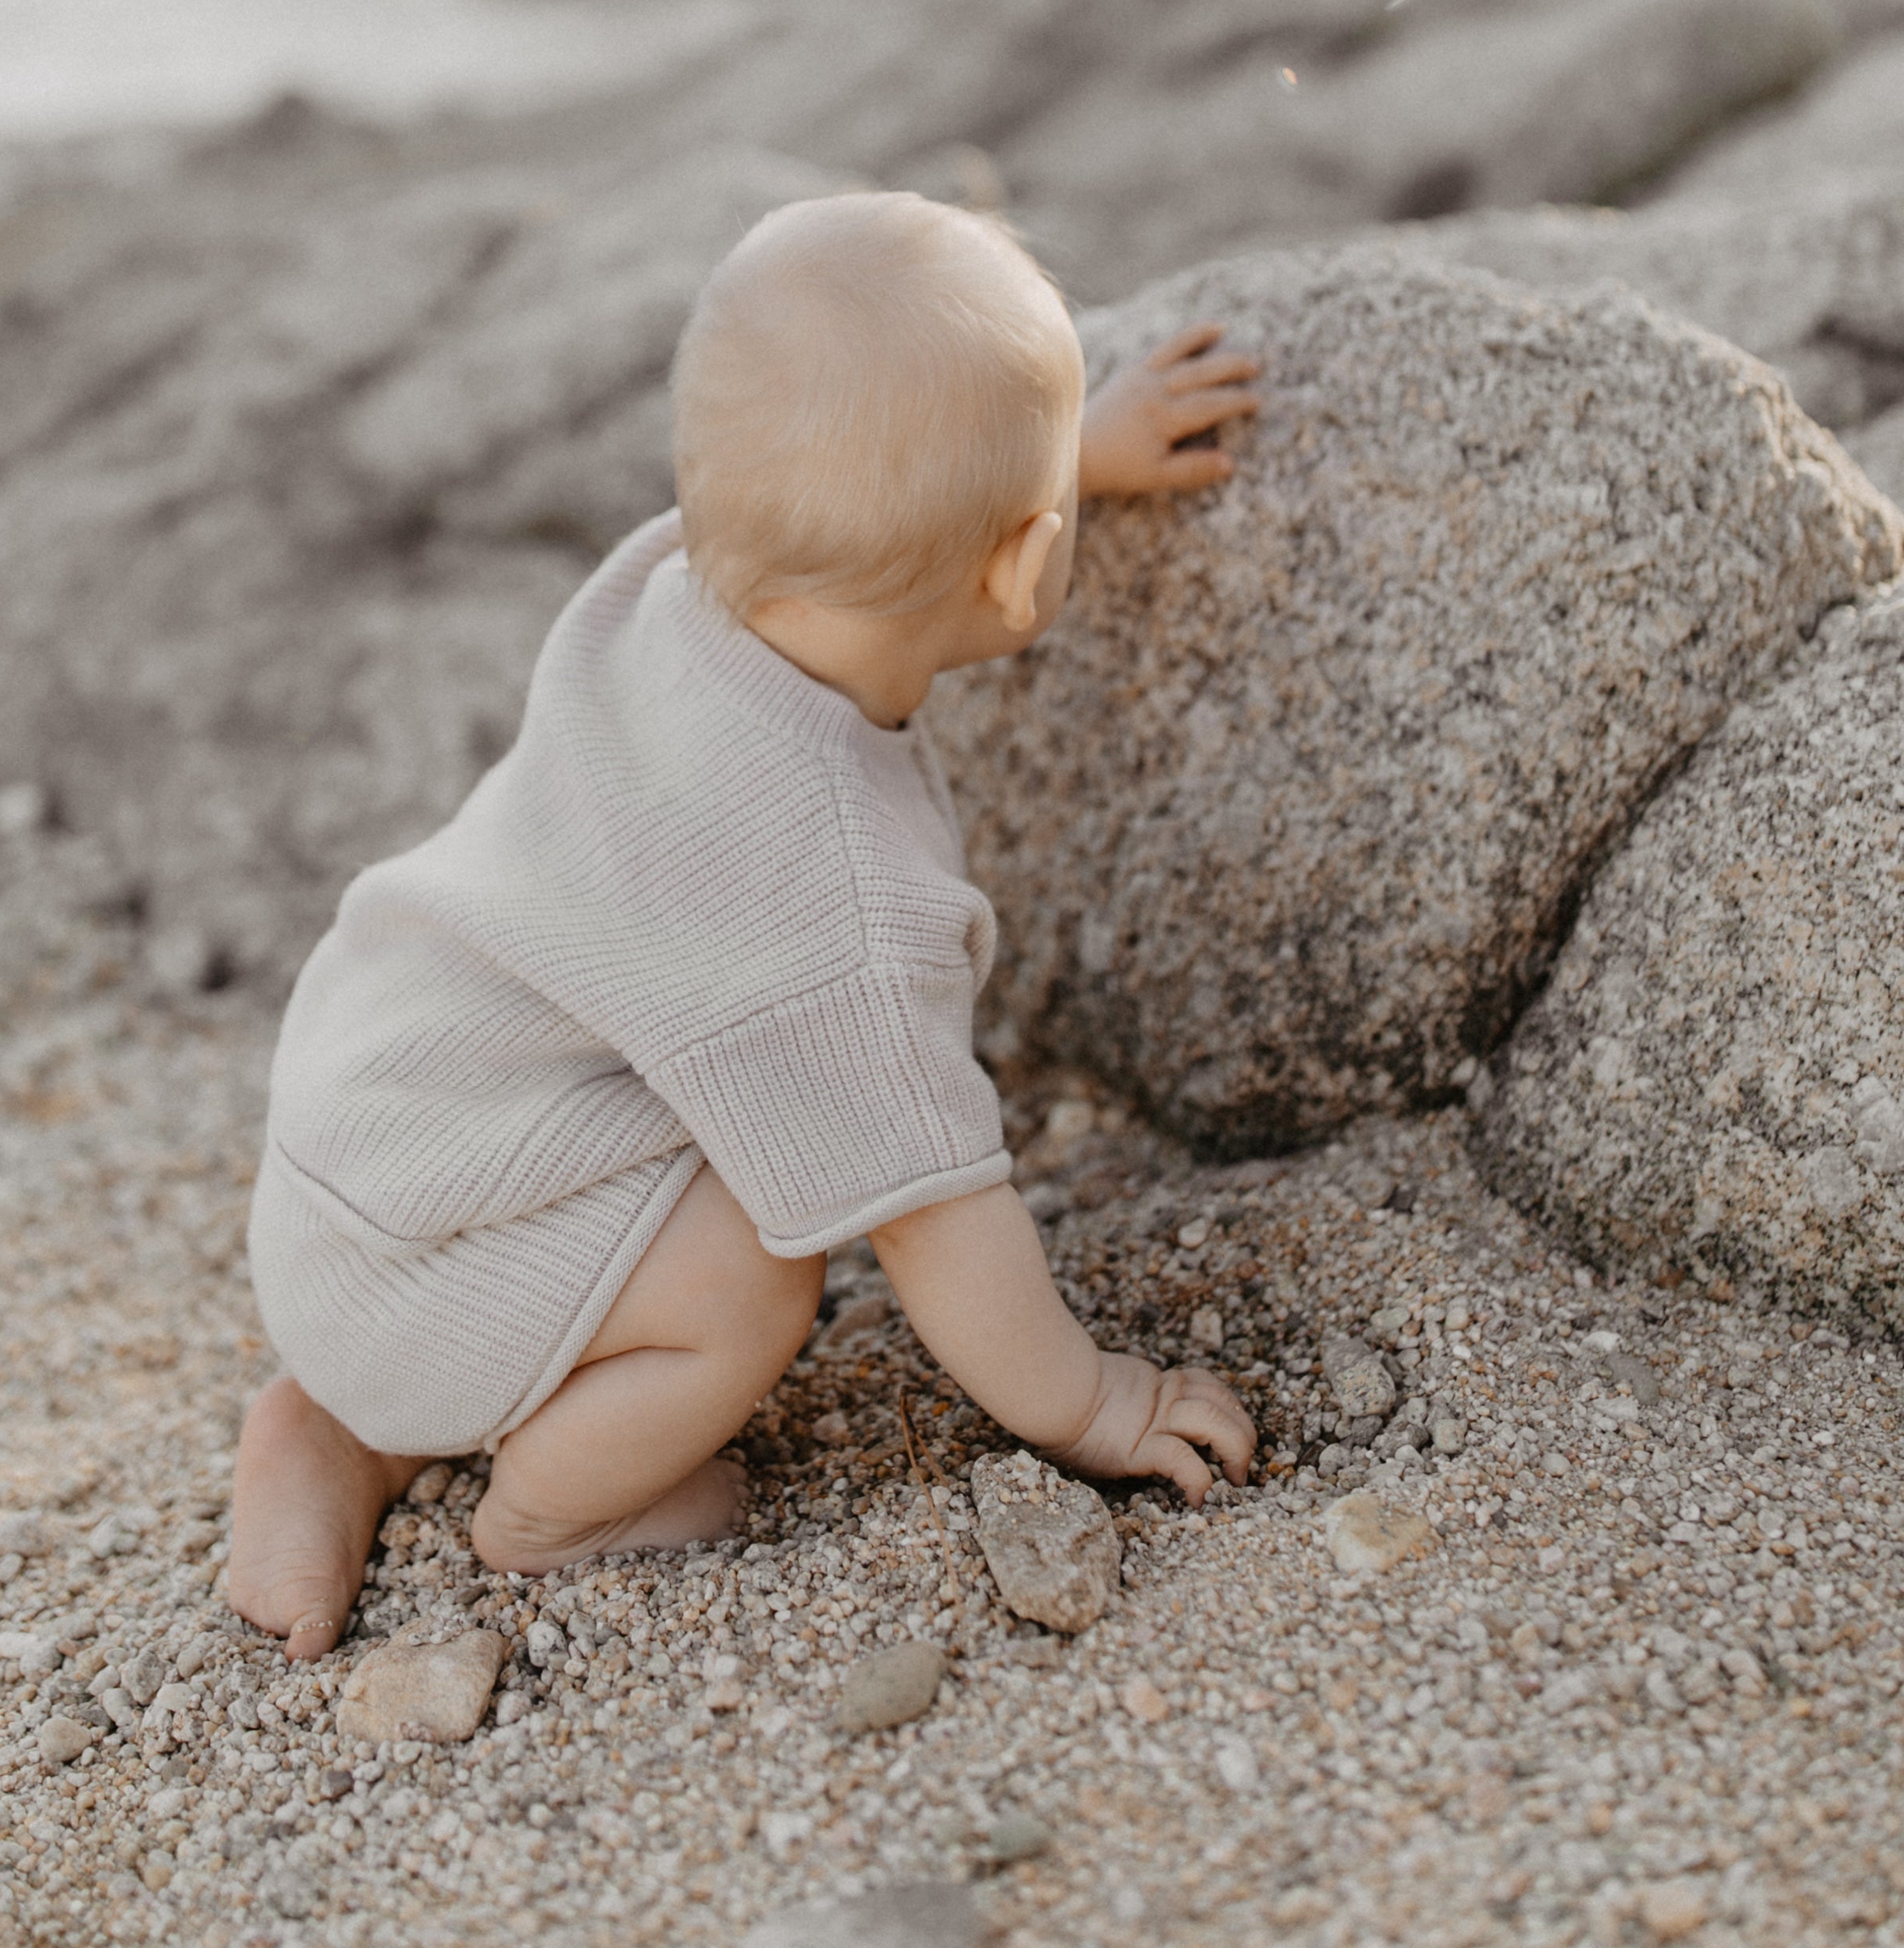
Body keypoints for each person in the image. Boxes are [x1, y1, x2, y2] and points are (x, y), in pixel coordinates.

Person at [228, 191, 1260, 1659]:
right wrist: (1095, 1400)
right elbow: (931, 1210)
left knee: (694, 1163)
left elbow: (869, 479)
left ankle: (340, 1427)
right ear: (1027, 565)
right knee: (756, 1274)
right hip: (432, 1266)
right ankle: (545, 1511)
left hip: (373, 1147)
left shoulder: (694, 578)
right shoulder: (831, 895)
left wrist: (1064, 453)